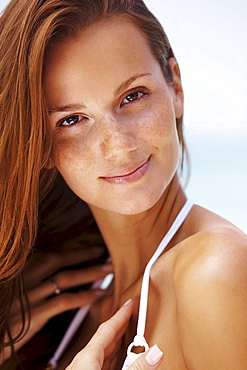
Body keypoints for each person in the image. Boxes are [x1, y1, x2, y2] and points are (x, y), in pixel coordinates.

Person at [0, 0, 246, 369]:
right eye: (72, 120)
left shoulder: (214, 271)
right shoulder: (78, 304)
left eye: (133, 96)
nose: (119, 146)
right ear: (41, 147)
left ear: (175, 86)